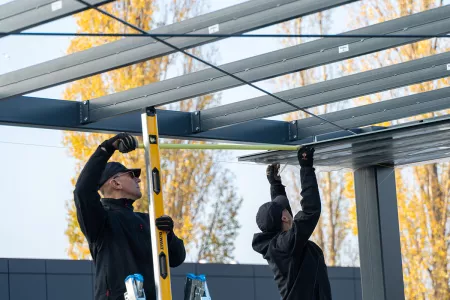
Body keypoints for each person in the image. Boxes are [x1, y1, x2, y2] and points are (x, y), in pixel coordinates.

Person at [73, 132, 186, 300]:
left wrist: (169, 235)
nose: (138, 180)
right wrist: (106, 148)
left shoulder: (147, 220)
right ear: (115, 183)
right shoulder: (100, 220)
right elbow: (83, 191)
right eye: (132, 175)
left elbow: (176, 259)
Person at [252, 146, 332, 300]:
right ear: (284, 218)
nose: (289, 211)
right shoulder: (286, 245)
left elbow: (288, 215)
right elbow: (310, 212)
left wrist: (275, 184)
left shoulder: (281, 245)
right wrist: (306, 168)